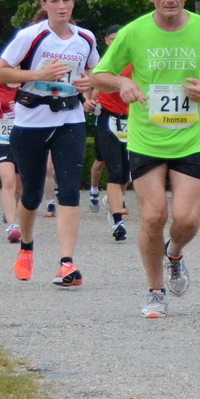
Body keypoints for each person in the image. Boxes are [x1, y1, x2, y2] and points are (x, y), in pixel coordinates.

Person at [92, 0, 200, 319]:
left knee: (187, 219)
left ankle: (175, 254)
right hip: (147, 139)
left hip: (189, 138)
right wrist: (122, 84)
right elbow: (99, 74)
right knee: (153, 216)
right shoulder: (133, 33)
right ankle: (155, 291)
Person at [0, 0, 100, 286]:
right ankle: (26, 246)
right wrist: (38, 74)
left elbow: (95, 73)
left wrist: (87, 85)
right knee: (33, 194)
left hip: (70, 119)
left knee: (68, 189)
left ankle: (67, 263)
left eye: (66, 0)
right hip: (31, 122)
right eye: (54, 1)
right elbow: (0, 73)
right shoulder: (30, 36)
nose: (61, 6)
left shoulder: (86, 38)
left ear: (73, 3)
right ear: (44, 4)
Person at [90, 24, 132, 241]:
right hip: (108, 119)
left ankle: (113, 200)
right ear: (106, 41)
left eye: (120, 38)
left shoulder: (135, 62)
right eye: (113, 38)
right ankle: (117, 222)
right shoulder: (102, 64)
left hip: (132, 121)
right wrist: (87, 101)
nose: (116, 42)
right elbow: (90, 84)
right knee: (114, 170)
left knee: (126, 172)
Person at [0, 79, 22, 242]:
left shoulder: (31, 84)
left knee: (20, 187)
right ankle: (12, 226)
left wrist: (25, 107)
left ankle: (11, 209)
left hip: (25, 139)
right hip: (1, 139)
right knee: (8, 181)